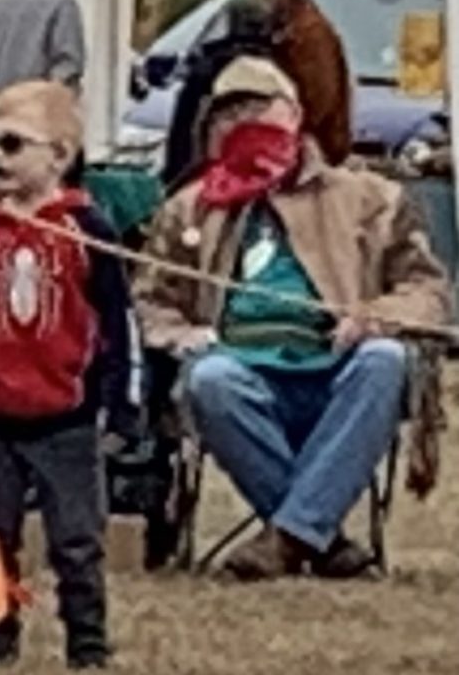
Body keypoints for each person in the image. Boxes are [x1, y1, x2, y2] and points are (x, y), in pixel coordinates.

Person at [136, 56, 447, 581]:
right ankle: (318, 538)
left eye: (259, 108)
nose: (243, 121)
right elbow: (149, 300)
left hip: (339, 375)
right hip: (242, 378)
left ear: (295, 114)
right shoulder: (188, 210)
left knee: (385, 361)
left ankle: (289, 537)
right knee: (209, 379)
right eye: (229, 112)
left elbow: (429, 291)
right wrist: (181, 334)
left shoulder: (370, 198)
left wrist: (372, 317)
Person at [0, 81, 136, 669]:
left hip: (67, 414)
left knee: (76, 538)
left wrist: (124, 401)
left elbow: (118, 321)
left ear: (58, 155)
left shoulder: (86, 228)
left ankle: (87, 643)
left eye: (12, 145)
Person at [161, 0, 351, 187]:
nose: (260, 3)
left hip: (307, 151)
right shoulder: (289, 32)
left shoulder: (307, 36)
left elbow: (317, 100)